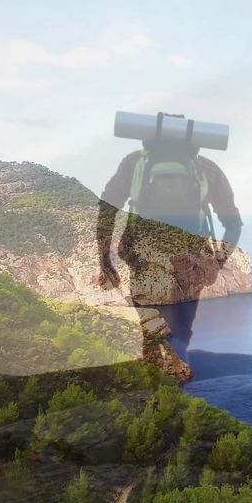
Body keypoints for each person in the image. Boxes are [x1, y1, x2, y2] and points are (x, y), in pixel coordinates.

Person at [95, 139, 243, 359]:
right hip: (190, 264)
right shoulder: (207, 169)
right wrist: (217, 262)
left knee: (148, 331)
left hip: (142, 258)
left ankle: (154, 374)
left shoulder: (135, 163)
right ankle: (174, 368)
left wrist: (105, 262)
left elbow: (107, 210)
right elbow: (233, 224)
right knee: (181, 332)